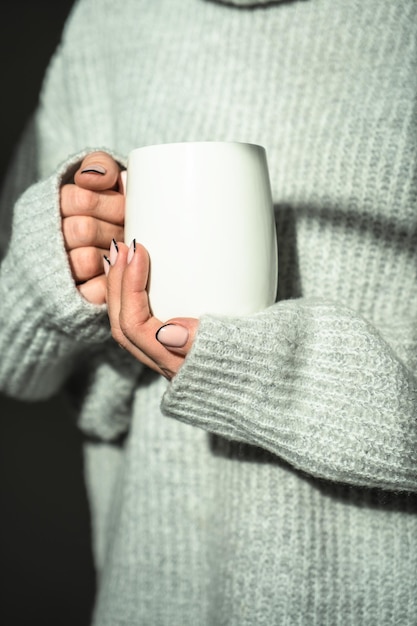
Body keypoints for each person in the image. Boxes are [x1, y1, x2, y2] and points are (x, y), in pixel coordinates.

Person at [0, 0, 416, 624]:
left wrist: (278, 375)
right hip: (153, 592)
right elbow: (18, 370)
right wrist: (56, 268)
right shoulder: (107, 19)